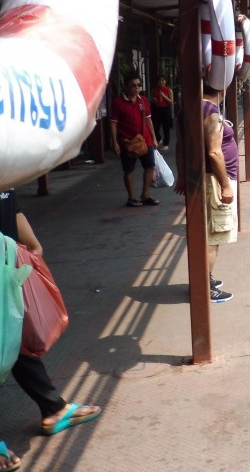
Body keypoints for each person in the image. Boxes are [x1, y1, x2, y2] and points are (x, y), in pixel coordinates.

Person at [0, 189, 101, 455]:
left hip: (6, 266)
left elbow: (12, 203)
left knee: (13, 336)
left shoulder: (7, 160)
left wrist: (32, 243)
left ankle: (53, 408)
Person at [173, 85, 237, 303]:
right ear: (222, 87)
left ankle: (204, 279)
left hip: (201, 178)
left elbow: (181, 145)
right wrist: (225, 185)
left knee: (207, 233)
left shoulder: (187, 110)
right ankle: (204, 286)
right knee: (213, 236)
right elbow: (214, 151)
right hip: (213, 181)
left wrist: (181, 175)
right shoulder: (211, 112)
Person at [109, 74, 160, 207]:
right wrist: (115, 142)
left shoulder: (143, 100)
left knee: (150, 166)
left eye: (139, 85)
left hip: (145, 140)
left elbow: (148, 119)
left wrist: (154, 137)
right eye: (133, 85)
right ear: (126, 86)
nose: (136, 88)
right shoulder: (118, 103)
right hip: (128, 143)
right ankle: (131, 197)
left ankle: (145, 195)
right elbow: (113, 123)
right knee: (128, 169)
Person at [150, 75, 174, 151]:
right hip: (157, 108)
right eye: (159, 81)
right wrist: (153, 100)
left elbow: (171, 102)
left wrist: (164, 97)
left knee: (166, 127)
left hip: (165, 109)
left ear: (165, 82)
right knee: (155, 125)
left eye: (162, 81)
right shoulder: (154, 90)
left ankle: (166, 143)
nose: (161, 82)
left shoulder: (168, 90)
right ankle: (158, 138)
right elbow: (151, 99)